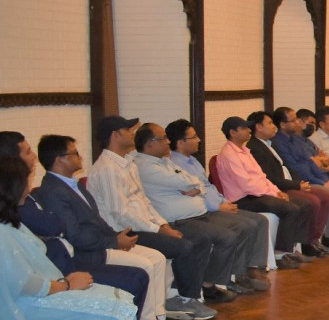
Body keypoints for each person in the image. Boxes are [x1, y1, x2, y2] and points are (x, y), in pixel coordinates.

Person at [34, 134, 185, 320]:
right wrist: (114, 242)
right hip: (88, 252)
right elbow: (75, 235)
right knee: (145, 265)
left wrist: (115, 237)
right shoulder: (53, 191)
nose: (80, 157)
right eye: (74, 153)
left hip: (102, 241)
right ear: (59, 160)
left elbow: (97, 220)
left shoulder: (74, 185)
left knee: (157, 258)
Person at [0, 155, 137, 320]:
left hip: (42, 291)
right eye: (26, 181)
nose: (28, 187)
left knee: (124, 301)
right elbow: (23, 283)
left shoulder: (8, 221)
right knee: (120, 313)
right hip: (25, 304)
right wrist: (66, 285)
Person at [85, 116, 228, 310]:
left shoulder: (127, 163)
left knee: (200, 239)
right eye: (128, 130)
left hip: (142, 225)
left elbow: (144, 201)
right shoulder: (107, 169)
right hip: (123, 232)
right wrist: (157, 229)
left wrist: (163, 225)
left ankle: (189, 296)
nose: (132, 134)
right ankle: (182, 299)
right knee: (184, 247)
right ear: (115, 135)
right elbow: (120, 214)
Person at [133, 123, 270, 294]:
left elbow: (196, 181)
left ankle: (234, 275)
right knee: (227, 236)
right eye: (163, 139)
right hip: (179, 220)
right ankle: (210, 284)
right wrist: (194, 186)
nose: (168, 142)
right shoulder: (145, 166)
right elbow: (185, 182)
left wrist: (195, 187)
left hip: (199, 212)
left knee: (248, 225)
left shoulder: (165, 161)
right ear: (149, 143)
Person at [213, 116, 313, 269]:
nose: (249, 130)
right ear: (232, 132)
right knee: (290, 208)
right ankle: (280, 254)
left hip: (258, 194)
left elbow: (262, 177)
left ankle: (291, 248)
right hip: (243, 198)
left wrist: (276, 191)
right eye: (244, 128)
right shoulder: (229, 154)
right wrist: (272, 194)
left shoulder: (245, 151)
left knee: (302, 204)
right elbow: (246, 184)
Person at [249, 110, 329, 256]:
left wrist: (300, 182)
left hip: (290, 182)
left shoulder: (269, 143)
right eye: (270, 123)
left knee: (325, 196)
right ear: (258, 127)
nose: (274, 126)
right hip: (277, 188)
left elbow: (292, 166)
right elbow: (270, 178)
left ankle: (315, 239)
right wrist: (297, 185)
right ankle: (300, 245)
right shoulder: (255, 148)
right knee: (311, 201)